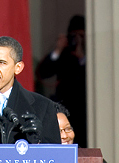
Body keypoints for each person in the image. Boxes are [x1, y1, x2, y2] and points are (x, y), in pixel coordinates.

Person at [36, 15, 87, 147]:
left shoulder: (90, 55)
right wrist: (57, 50)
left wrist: (82, 57)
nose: (77, 40)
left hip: (83, 110)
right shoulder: (64, 54)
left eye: (80, 36)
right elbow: (43, 73)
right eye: (74, 35)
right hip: (64, 105)